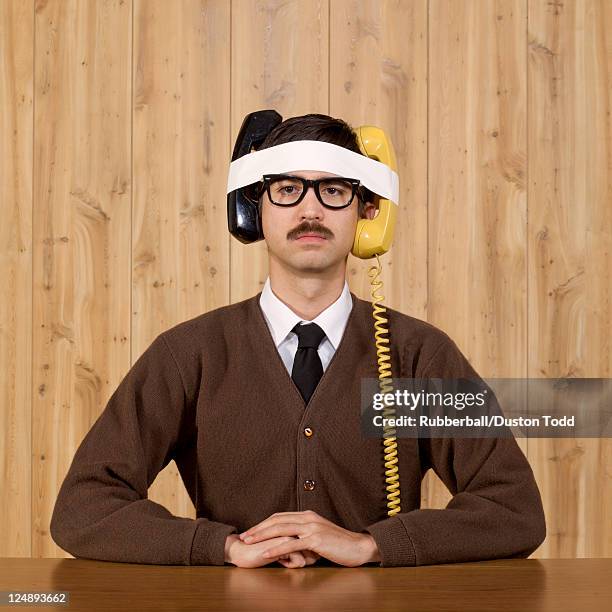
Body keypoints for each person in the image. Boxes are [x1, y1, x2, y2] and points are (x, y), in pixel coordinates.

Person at [50, 113, 546, 569]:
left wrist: (372, 545)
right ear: (253, 211)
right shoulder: (189, 355)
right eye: (288, 189)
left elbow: (513, 509)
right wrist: (222, 547)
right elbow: (83, 506)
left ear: (368, 210)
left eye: (333, 190)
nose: (310, 210)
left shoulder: (418, 353)